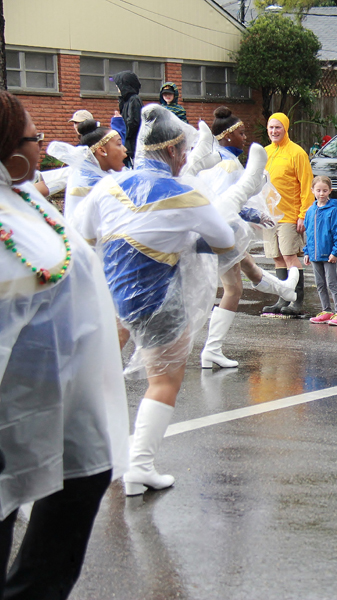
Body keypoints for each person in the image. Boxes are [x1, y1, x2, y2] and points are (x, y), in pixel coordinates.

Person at [74, 105, 265, 495]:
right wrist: (184, 238)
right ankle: (139, 467)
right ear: (173, 150)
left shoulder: (107, 187)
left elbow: (84, 235)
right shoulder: (184, 193)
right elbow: (224, 240)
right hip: (160, 302)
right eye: (184, 150)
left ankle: (98, 454)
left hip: (114, 298)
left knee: (102, 374)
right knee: (163, 382)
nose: (185, 158)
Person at [0, 90, 129, 598]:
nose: (42, 146)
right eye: (34, 138)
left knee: (83, 480)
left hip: (65, 405)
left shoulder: (22, 194)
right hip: (19, 413)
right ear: (10, 150)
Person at [198, 106, 301, 368]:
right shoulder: (228, 163)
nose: (245, 138)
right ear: (227, 135)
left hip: (213, 230)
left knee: (248, 266)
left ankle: (284, 289)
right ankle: (212, 349)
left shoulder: (213, 159)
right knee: (234, 289)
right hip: (220, 231)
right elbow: (225, 202)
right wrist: (255, 215)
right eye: (241, 133)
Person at [262, 112, 314, 317]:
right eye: (271, 127)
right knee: (277, 258)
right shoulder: (265, 152)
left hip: (289, 215)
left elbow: (306, 186)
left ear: (286, 128)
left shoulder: (297, 153)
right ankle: (282, 298)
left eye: (278, 127)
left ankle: (296, 299)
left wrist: (303, 215)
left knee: (289, 256)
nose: (274, 131)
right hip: (269, 216)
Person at [47, 119, 129, 219]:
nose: (125, 149)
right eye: (119, 144)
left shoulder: (104, 176)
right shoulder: (86, 185)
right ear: (102, 150)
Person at [304, 176, 337, 326]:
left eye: (324, 190)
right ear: (312, 191)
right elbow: (309, 233)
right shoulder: (310, 211)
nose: (321, 193)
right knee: (320, 284)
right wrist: (307, 252)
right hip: (314, 255)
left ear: (330, 191)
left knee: (332, 283)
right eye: (318, 190)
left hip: (329, 255)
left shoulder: (333, 210)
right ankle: (326, 310)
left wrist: (336, 252)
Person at [112, 70, 143, 163]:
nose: (116, 86)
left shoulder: (134, 100)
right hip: (128, 146)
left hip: (132, 148)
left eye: (118, 84)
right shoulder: (125, 101)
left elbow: (133, 123)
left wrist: (121, 127)